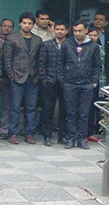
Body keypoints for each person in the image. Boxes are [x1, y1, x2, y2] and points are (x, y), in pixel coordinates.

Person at [58, 21, 102, 150]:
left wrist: (93, 81)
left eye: (80, 31)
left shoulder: (93, 46)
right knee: (70, 113)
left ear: (86, 30)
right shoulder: (67, 44)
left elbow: (97, 66)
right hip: (70, 83)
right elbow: (60, 63)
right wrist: (62, 80)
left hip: (86, 84)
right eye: (75, 31)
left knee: (84, 113)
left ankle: (82, 138)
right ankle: (71, 137)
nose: (77, 33)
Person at [5, 12, 43, 144]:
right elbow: (7, 59)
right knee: (15, 107)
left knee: (31, 107)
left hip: (33, 78)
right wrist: (11, 75)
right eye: (24, 23)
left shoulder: (38, 40)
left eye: (30, 23)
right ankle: (13, 133)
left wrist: (38, 75)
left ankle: (29, 133)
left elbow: (39, 60)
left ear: (33, 25)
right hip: (17, 77)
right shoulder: (12, 38)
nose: (27, 25)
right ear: (20, 24)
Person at [37, 21, 69, 146]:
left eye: (62, 29)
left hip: (66, 82)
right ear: (54, 30)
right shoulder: (46, 45)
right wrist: (44, 79)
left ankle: (62, 136)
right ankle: (47, 136)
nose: (59, 31)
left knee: (65, 110)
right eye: (57, 29)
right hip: (50, 81)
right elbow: (41, 64)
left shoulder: (70, 45)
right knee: (47, 109)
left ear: (66, 31)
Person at [0, 18, 12, 138]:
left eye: (9, 26)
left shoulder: (14, 41)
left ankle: (4, 129)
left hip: (6, 77)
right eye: (4, 26)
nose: (6, 28)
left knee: (6, 105)